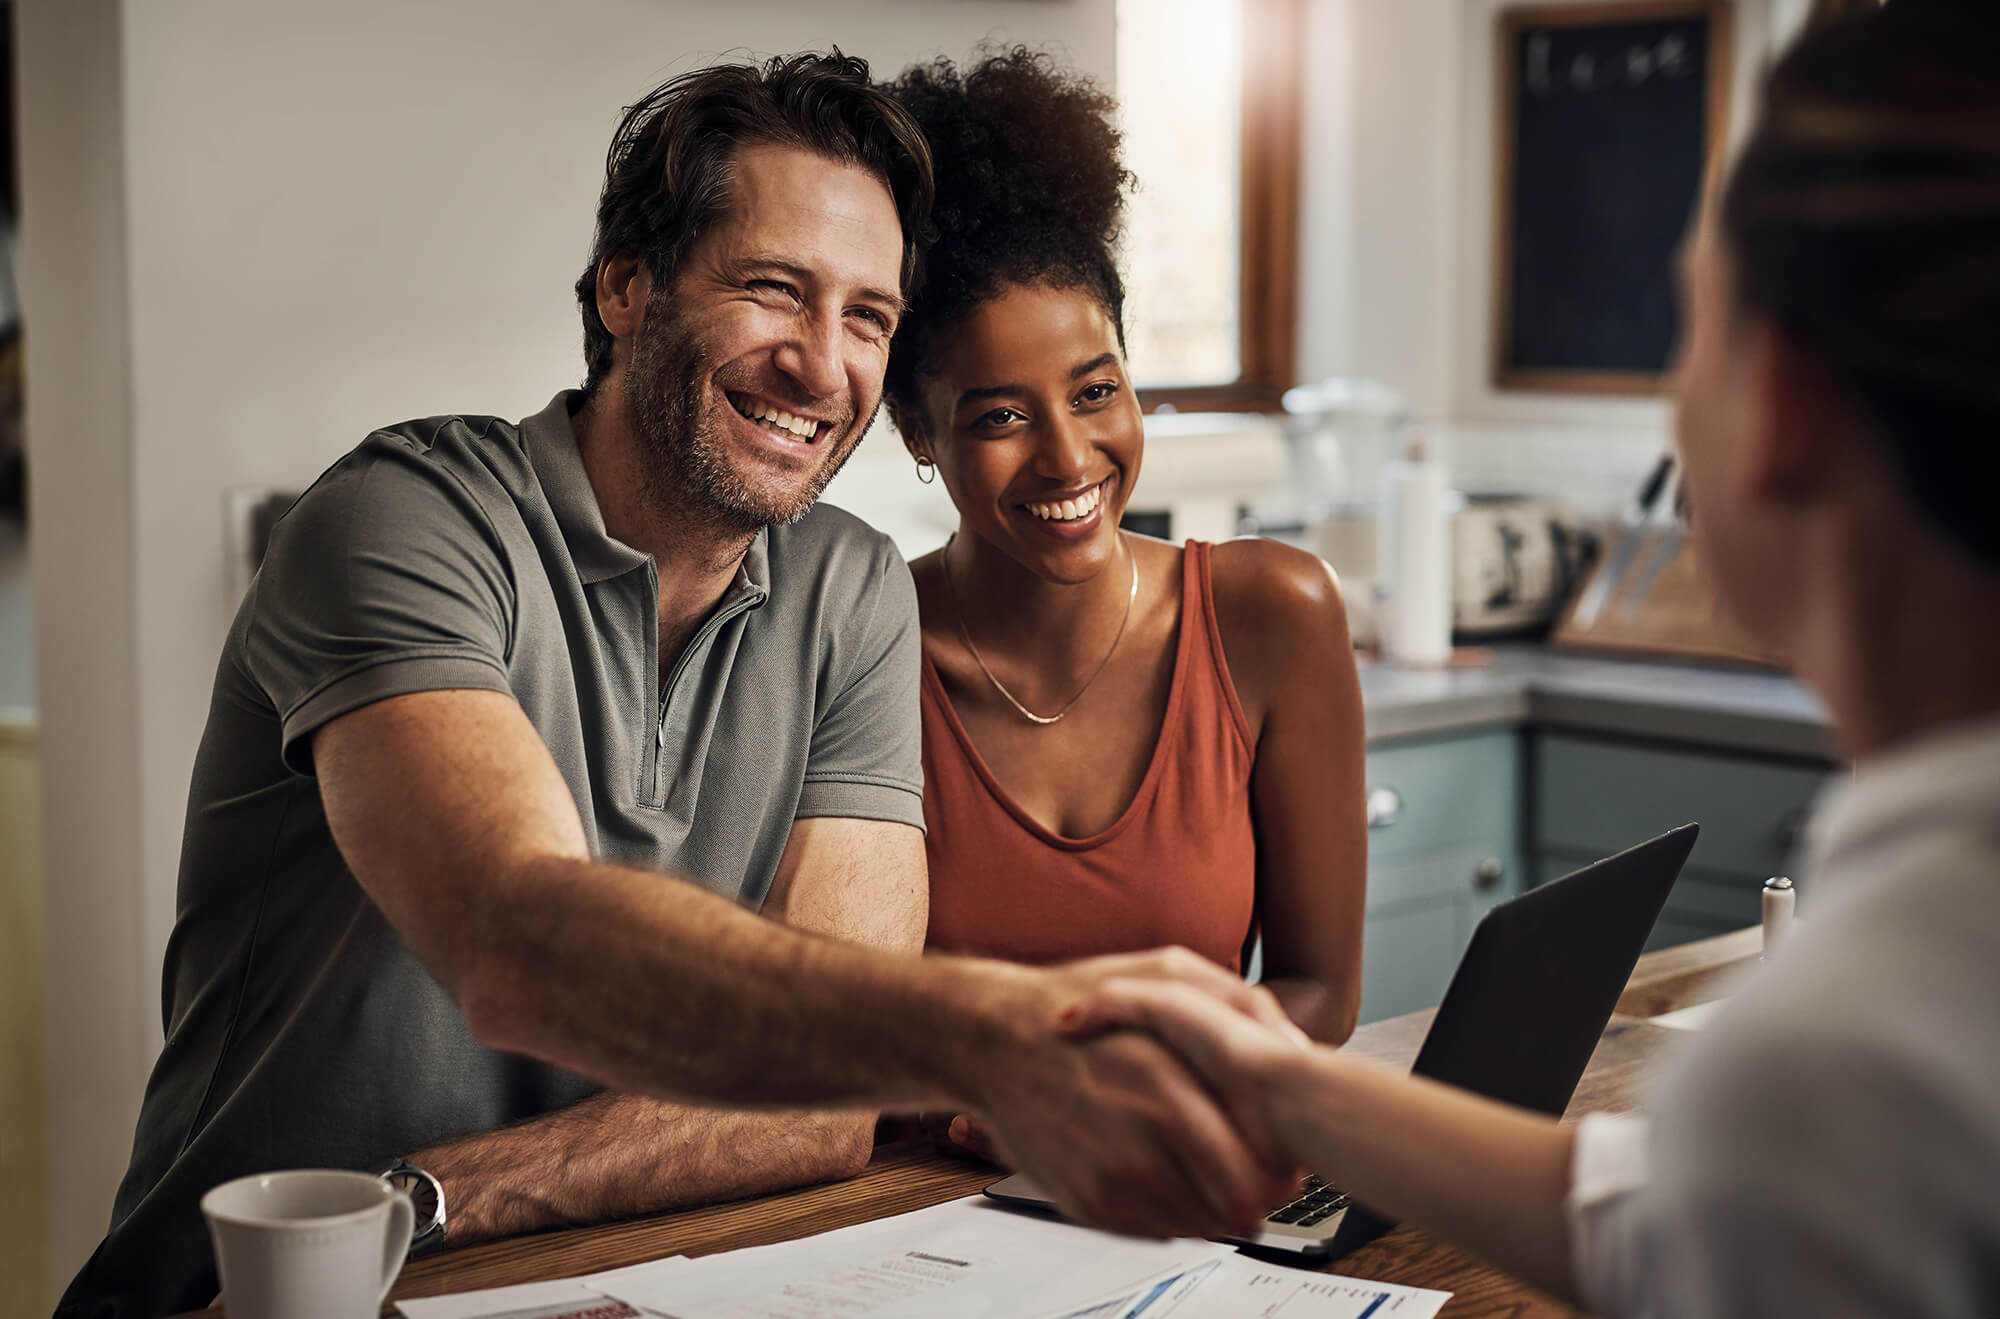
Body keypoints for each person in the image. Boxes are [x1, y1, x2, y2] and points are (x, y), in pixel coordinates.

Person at [58, 53, 1299, 1319]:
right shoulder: (399, 520)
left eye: (867, 317)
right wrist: (996, 1029)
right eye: (774, 291)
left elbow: (819, 1103)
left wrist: (433, 1197)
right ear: (626, 287)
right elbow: (518, 934)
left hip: (561, 1284)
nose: (822, 367)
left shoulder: (847, 591)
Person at [1066, 2, 2000, 1314]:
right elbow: (1676, 1221)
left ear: (1780, 401)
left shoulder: (1842, 1063)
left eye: (1688, 332)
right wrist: (1285, 1085)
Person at [878, 51, 1365, 1054]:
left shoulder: (1273, 611)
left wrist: (1114, 1096)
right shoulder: (865, 644)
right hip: (928, 1193)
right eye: (1000, 415)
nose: (1067, 457)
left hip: (1180, 1164)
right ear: (917, 433)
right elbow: (827, 1025)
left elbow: (1317, 993)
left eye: (1096, 391)